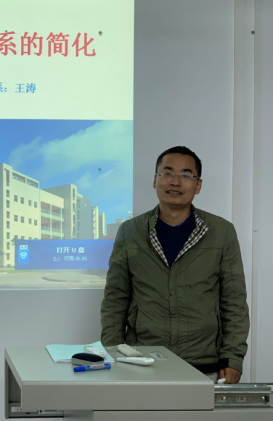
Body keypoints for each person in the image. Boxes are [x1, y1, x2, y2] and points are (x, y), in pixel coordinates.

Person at [100, 146, 249, 384]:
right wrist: (113, 352)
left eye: (186, 175)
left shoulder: (221, 232)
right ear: (155, 180)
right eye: (167, 173)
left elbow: (234, 301)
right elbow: (115, 298)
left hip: (205, 364)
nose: (175, 182)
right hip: (142, 362)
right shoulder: (130, 232)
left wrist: (233, 358)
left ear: (198, 185)